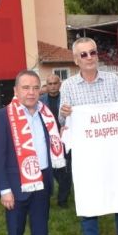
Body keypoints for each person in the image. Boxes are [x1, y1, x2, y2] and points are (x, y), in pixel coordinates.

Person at [59, 37, 118, 235]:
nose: (89, 58)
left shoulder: (113, 79)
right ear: (76, 60)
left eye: (92, 52)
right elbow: (62, 121)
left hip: (113, 153)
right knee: (88, 207)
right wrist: (64, 113)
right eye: (83, 54)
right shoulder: (68, 86)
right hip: (86, 157)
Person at [0, 70, 63, 235]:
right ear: (16, 90)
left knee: (41, 230)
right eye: (25, 88)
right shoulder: (3, 116)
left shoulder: (46, 114)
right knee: (15, 233)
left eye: (35, 88)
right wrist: (4, 189)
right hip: (16, 184)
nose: (31, 92)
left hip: (42, 180)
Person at [40, 74, 73, 208]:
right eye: (50, 84)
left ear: (60, 84)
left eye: (55, 83)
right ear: (46, 85)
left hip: (65, 139)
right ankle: (49, 195)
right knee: (51, 170)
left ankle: (62, 200)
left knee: (66, 171)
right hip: (47, 141)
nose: (53, 86)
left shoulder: (67, 99)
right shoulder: (40, 102)